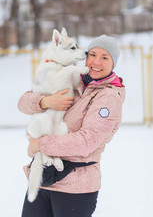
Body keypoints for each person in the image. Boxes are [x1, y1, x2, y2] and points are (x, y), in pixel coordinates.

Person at [18, 34, 125, 217]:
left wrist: (40, 144)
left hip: (76, 188)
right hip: (44, 178)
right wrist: (46, 101)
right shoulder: (74, 80)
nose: (96, 62)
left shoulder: (107, 97)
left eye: (105, 57)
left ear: (113, 63)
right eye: (92, 54)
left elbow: (86, 142)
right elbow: (23, 103)